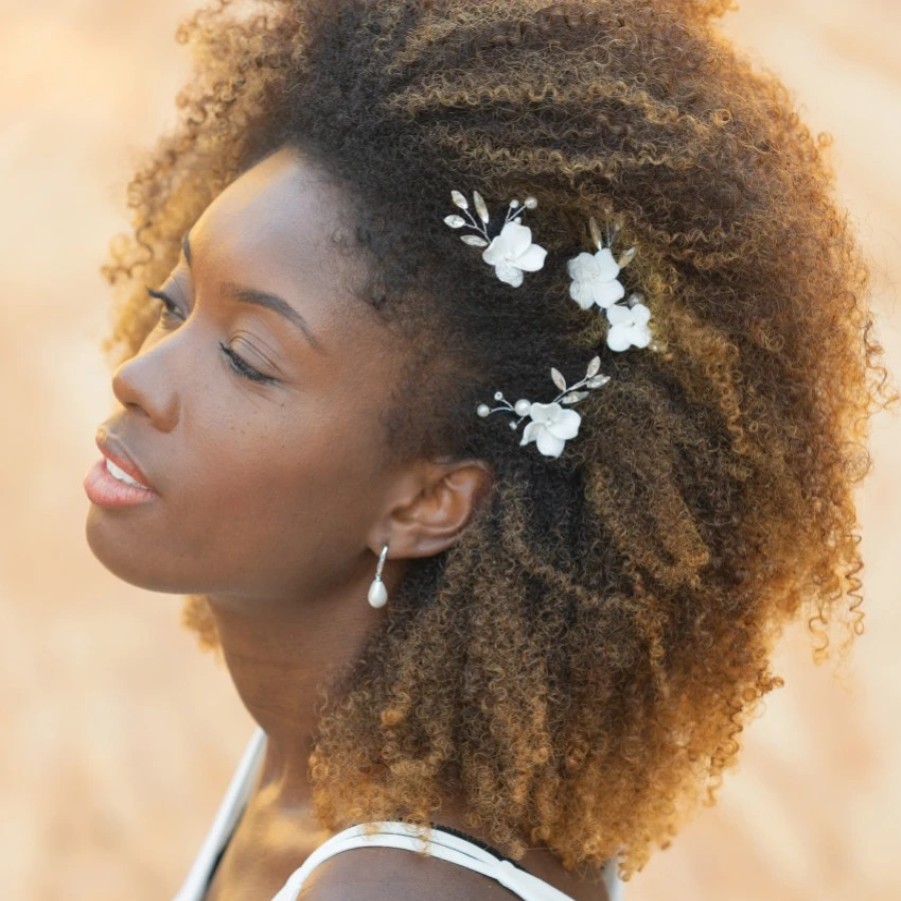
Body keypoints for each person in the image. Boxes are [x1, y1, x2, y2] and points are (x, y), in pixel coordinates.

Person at [83, 1, 888, 898]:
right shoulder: (329, 758)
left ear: (427, 501)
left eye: (246, 358)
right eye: (173, 301)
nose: (139, 376)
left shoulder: (392, 886)